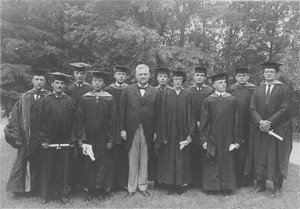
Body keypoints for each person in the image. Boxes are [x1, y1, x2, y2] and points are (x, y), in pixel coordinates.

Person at [245, 62, 293, 198]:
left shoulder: (283, 89)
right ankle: (260, 184)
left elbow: (285, 109)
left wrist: (269, 123)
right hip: (260, 129)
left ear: (277, 73)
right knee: (260, 155)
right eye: (266, 72)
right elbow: (252, 107)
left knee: (276, 156)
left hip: (277, 129)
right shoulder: (258, 89)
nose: (269, 74)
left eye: (272, 72)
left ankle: (277, 187)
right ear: (263, 73)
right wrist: (260, 122)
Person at [5, 69, 50, 196]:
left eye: (42, 80)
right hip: (27, 135)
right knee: (22, 162)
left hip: (43, 137)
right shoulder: (25, 97)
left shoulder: (49, 97)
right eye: (37, 79)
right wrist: (18, 135)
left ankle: (41, 188)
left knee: (43, 162)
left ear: (45, 82)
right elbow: (16, 117)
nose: (39, 82)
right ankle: (19, 190)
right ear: (32, 80)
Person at [76, 70, 120, 202]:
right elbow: (79, 119)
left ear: (104, 83)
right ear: (91, 82)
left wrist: (111, 138)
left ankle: (101, 189)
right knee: (88, 162)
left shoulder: (109, 98)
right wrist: (81, 138)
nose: (97, 83)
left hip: (103, 137)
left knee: (102, 163)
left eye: (100, 81)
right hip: (88, 137)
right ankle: (90, 190)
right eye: (95, 80)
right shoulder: (85, 98)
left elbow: (113, 120)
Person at [119, 64, 159, 198]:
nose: (143, 76)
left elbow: (159, 113)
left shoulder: (155, 91)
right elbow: (122, 111)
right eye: (140, 74)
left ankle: (143, 186)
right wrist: (122, 129)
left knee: (144, 159)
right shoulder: (127, 90)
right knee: (133, 158)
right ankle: (131, 187)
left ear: (149, 75)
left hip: (148, 129)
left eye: (145, 74)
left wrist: (156, 131)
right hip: (132, 129)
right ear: (136, 76)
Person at [38, 72, 76, 204]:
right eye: (57, 83)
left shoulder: (70, 101)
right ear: (52, 84)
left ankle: (63, 194)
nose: (59, 85)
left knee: (64, 168)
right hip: (49, 141)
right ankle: (46, 194)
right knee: (48, 167)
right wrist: (44, 139)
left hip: (65, 141)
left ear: (65, 85)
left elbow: (75, 122)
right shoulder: (45, 100)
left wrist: (72, 139)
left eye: (62, 83)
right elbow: (40, 122)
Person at [199, 73, 241, 193]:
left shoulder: (232, 100)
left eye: (224, 82)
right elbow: (204, 121)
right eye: (220, 83)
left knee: (228, 161)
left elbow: (237, 121)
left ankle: (227, 187)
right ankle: (212, 187)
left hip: (228, 136)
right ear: (214, 85)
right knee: (213, 160)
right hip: (213, 136)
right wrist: (204, 139)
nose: (223, 84)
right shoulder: (208, 100)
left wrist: (237, 140)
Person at [155, 70, 195, 195]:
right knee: (169, 158)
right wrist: (163, 134)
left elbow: (191, 115)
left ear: (183, 81)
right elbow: (161, 116)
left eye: (180, 79)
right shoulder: (166, 94)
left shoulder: (187, 94)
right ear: (172, 81)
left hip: (183, 133)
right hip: (169, 133)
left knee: (181, 158)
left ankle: (180, 184)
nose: (178, 81)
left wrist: (190, 134)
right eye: (175, 79)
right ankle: (170, 184)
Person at [65, 62, 93, 192]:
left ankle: (84, 184)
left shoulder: (90, 89)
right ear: (73, 74)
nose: (79, 76)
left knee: (85, 156)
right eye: (77, 73)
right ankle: (72, 184)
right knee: (71, 156)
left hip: (85, 126)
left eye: (82, 73)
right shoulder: (69, 89)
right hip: (71, 126)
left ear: (85, 75)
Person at [228, 67, 256, 187]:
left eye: (244, 75)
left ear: (248, 76)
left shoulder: (254, 89)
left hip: (249, 124)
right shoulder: (232, 89)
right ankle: (237, 177)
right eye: (239, 76)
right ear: (235, 77)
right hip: (234, 124)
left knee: (249, 150)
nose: (241, 78)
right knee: (236, 149)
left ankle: (248, 178)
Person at [186, 66, 214, 187]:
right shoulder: (188, 91)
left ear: (205, 77)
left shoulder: (210, 91)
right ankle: (192, 180)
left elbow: (212, 109)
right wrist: (194, 122)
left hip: (206, 126)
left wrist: (203, 122)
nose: (199, 77)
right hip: (191, 126)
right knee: (191, 152)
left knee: (204, 152)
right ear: (193, 76)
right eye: (197, 75)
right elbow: (186, 110)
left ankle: (203, 181)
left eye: (202, 75)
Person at [105, 65, 130, 190]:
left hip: (125, 127)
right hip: (111, 126)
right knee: (111, 155)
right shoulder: (108, 89)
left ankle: (122, 183)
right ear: (114, 75)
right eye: (119, 74)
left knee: (123, 155)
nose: (121, 76)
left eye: (123, 74)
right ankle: (111, 183)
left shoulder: (130, 89)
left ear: (126, 76)